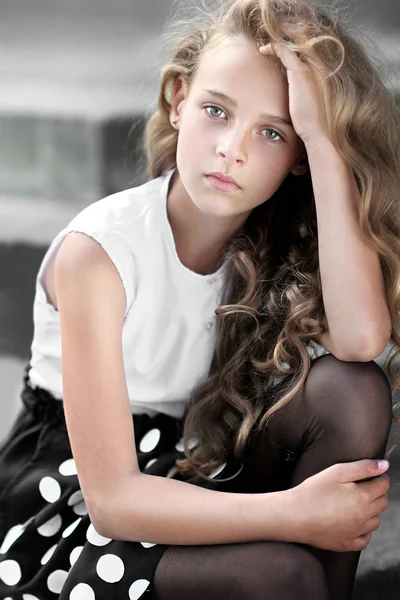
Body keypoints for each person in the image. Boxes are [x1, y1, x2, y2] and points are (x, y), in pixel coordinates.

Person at [0, 0, 399, 598]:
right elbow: (113, 502)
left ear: (295, 161)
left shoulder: (273, 237)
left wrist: (323, 139)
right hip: (78, 492)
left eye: (272, 133)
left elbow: (363, 340)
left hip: (196, 448)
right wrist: (297, 512)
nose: (231, 150)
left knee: (354, 389)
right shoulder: (100, 252)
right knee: (282, 574)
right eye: (217, 111)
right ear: (179, 100)